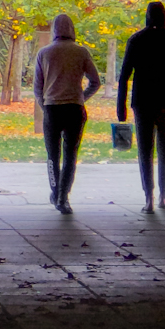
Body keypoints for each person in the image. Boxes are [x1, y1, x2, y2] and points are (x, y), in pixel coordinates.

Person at [116, 0, 165, 213]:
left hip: (142, 102)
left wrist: (121, 108)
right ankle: (163, 194)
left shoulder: (137, 39)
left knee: (145, 151)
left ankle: (148, 197)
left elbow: (124, 75)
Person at [32, 13, 101, 214]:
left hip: (52, 109)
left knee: (52, 155)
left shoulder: (44, 53)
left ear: (54, 29)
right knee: (70, 155)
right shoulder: (81, 52)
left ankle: (54, 192)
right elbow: (95, 82)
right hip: (74, 109)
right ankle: (64, 197)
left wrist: (45, 104)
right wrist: (81, 97)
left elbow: (37, 87)